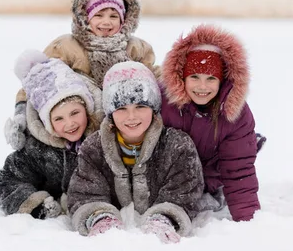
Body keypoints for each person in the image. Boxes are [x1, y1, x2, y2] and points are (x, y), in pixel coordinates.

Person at [4, 0, 159, 151]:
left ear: (124, 19)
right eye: (98, 15)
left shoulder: (135, 48)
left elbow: (153, 78)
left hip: (124, 127)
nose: (106, 22)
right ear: (86, 17)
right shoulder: (66, 47)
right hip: (75, 129)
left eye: (113, 16)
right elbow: (38, 81)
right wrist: (21, 112)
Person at [0, 50, 103, 219]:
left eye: (75, 113)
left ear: (87, 109)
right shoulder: (37, 149)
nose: (69, 123)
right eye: (59, 118)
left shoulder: (98, 140)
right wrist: (35, 205)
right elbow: (7, 181)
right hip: (34, 186)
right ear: (46, 122)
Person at [67, 61, 204, 244]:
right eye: (122, 108)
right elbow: (84, 193)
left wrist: (166, 217)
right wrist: (98, 216)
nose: (131, 117)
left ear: (153, 109)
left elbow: (185, 192)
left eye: (140, 106)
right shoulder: (93, 148)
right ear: (110, 113)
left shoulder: (177, 145)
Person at [159, 24, 261, 222]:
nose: (202, 87)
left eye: (211, 78)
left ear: (222, 81)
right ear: (182, 78)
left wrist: (248, 221)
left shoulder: (235, 114)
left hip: (212, 177)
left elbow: (238, 170)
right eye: (194, 77)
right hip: (171, 178)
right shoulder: (166, 105)